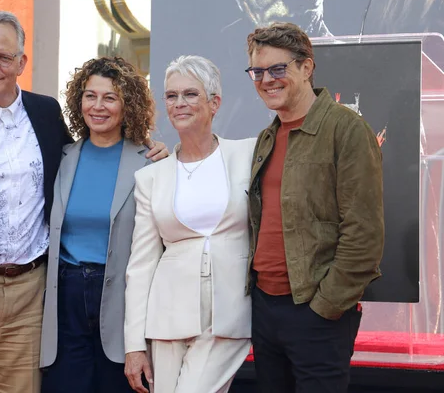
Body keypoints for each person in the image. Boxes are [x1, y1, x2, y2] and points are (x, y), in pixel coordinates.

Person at [0, 11, 167, 393]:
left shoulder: (45, 114)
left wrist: (151, 149)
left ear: (22, 62)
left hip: (32, 295)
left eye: (4, 57)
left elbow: (95, 155)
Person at [245, 22, 384, 392]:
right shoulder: (267, 137)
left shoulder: (347, 130)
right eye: (258, 71)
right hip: (265, 307)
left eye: (278, 69)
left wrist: (326, 307)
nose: (266, 80)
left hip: (316, 311)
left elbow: (364, 233)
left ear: (306, 68)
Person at [124, 55, 255, 393]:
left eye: (190, 94)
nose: (179, 103)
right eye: (171, 95)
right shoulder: (151, 177)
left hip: (231, 314)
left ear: (215, 103)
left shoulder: (249, 155)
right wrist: (133, 344)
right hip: (167, 317)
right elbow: (141, 265)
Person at [39, 57, 161, 393]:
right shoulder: (61, 158)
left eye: (110, 97)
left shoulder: (150, 161)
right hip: (67, 296)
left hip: (122, 297)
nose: (98, 106)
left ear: (128, 105)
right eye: (90, 96)